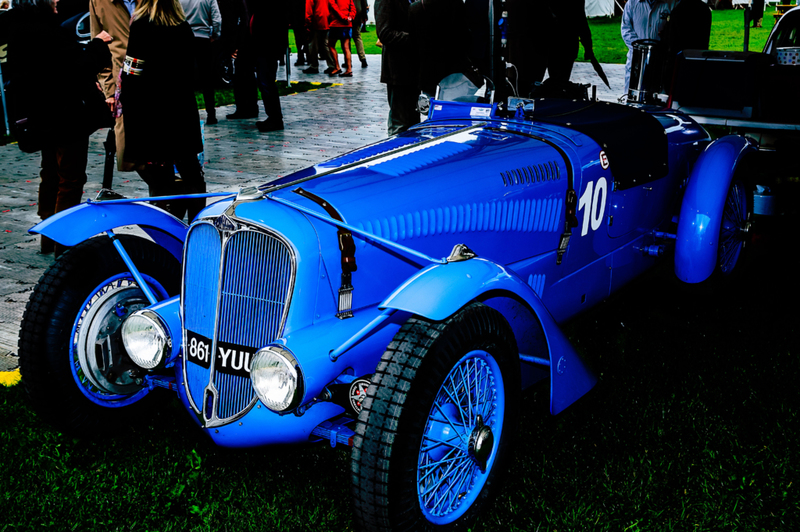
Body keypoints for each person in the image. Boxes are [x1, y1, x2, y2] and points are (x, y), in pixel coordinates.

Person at [5, 0, 112, 255]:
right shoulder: (47, 31)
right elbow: (75, 69)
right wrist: (98, 45)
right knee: (70, 178)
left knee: (50, 173)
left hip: (40, 115)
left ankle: (47, 234)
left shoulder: (16, 29)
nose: (57, 1)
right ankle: (62, 240)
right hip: (65, 116)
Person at [120, 0, 206, 220]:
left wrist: (126, 95)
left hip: (152, 111)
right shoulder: (182, 26)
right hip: (181, 110)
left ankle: (167, 223)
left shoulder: (142, 26)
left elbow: (132, 70)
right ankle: (197, 222)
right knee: (191, 171)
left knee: (160, 175)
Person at [376, 0, 420, 135]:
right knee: (400, 122)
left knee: (414, 120)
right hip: (398, 69)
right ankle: (396, 150)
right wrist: (418, 39)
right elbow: (385, 33)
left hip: (415, 68)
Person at [621, 0, 679, 93]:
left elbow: (676, 30)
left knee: (657, 97)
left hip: (661, 59)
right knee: (633, 96)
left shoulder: (671, 4)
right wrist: (640, 48)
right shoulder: (632, 3)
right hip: (636, 59)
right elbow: (626, 29)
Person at [180, 0, 222, 124]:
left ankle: (187, 112)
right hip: (204, 39)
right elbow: (217, 19)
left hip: (184, 40)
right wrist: (215, 35)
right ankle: (211, 114)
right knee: (207, 78)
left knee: (185, 78)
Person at [251, 0, 288, 131]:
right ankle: (273, 116)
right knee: (264, 82)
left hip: (268, 45)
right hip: (266, 44)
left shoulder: (271, 7)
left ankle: (275, 118)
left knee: (267, 82)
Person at [303, 0, 335, 74]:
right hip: (326, 20)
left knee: (313, 46)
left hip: (316, 21)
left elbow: (309, 9)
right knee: (326, 45)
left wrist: (308, 23)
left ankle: (314, 66)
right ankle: (332, 65)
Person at [328, 0, 355, 77]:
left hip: (336, 23)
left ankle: (337, 67)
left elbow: (334, 7)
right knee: (346, 47)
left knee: (330, 45)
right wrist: (350, 17)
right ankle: (349, 69)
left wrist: (343, 17)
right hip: (347, 24)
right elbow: (353, 7)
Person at [352, 0, 368, 68]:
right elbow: (365, 4)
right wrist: (364, 16)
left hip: (349, 14)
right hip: (358, 15)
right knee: (357, 37)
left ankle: (347, 61)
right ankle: (362, 58)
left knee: (346, 40)